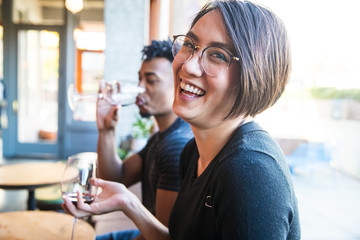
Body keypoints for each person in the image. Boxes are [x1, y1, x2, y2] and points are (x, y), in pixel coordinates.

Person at [63, 1, 301, 239]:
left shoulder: (250, 173)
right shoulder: (192, 153)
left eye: (217, 55)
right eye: (189, 44)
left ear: (254, 76)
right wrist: (127, 202)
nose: (188, 65)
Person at [95, 39, 193, 240]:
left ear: (179, 83)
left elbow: (165, 235)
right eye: (139, 79)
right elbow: (115, 178)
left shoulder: (176, 145)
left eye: (151, 80)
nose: (140, 87)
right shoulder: (160, 137)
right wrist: (106, 130)